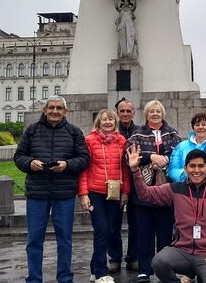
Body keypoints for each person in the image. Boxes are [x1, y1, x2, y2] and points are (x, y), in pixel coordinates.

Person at [127, 146, 206, 283]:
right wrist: (135, 170)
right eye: (192, 166)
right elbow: (145, 194)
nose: (196, 170)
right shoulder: (175, 189)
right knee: (158, 262)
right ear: (185, 169)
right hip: (181, 251)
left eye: (201, 166)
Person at [13, 96, 90, 283]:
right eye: (51, 108)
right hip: (37, 194)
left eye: (59, 108)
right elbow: (19, 156)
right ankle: (33, 279)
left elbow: (84, 159)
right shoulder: (32, 130)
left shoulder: (74, 132)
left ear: (65, 111)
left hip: (64, 194)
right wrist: (30, 163)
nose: (55, 111)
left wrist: (66, 164)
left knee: (65, 240)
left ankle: (64, 278)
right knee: (34, 240)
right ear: (44, 109)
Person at [127, 100, 182, 282]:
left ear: (163, 114)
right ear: (146, 114)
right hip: (144, 189)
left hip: (166, 189)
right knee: (144, 230)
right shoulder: (138, 133)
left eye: (158, 111)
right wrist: (150, 156)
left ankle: (165, 267)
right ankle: (145, 268)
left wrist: (165, 159)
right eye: (152, 111)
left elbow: (179, 153)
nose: (155, 114)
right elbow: (129, 152)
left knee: (165, 231)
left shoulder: (172, 133)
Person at [78, 109, 131, 283]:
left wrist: (125, 191)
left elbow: (124, 168)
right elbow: (84, 169)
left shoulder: (122, 141)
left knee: (109, 230)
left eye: (110, 119)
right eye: (104, 120)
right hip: (95, 193)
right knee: (101, 230)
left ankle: (95, 268)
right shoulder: (90, 140)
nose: (107, 122)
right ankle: (101, 273)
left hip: (115, 192)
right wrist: (84, 194)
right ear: (98, 122)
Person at [114, 98, 140, 271]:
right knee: (113, 223)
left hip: (135, 181)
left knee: (136, 222)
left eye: (128, 111)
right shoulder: (110, 130)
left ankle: (133, 256)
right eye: (122, 111)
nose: (125, 114)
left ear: (133, 113)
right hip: (114, 181)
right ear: (117, 112)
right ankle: (114, 258)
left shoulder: (140, 132)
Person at [169, 112, 206, 185]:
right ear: (193, 128)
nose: (200, 127)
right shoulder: (180, 146)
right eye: (197, 125)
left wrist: (195, 177)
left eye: (203, 125)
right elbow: (173, 169)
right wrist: (187, 177)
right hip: (184, 189)